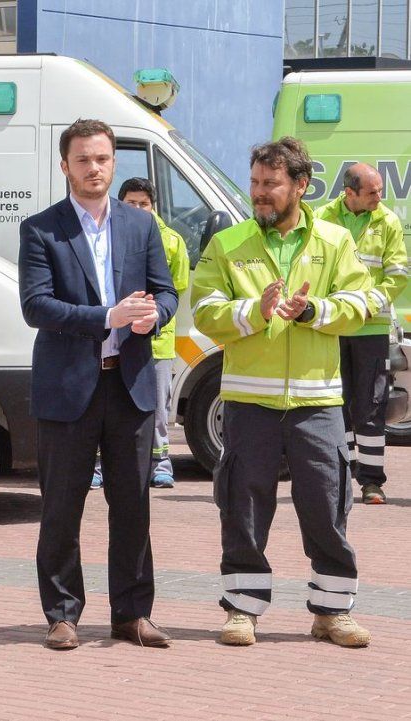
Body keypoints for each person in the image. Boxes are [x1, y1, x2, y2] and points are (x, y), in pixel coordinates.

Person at [192, 138, 374, 648]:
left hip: (318, 404)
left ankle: (332, 613)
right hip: (249, 403)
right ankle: (242, 610)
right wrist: (255, 312)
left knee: (327, 507)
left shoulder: (335, 242)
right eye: (254, 182)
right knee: (243, 509)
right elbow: (204, 310)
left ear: (301, 186)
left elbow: (361, 302)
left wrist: (314, 311)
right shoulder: (229, 243)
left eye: (270, 184)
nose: (259, 192)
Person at [18, 119, 178, 651]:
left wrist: (152, 317)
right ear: (65, 166)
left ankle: (132, 614)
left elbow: (166, 292)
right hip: (68, 389)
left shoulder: (141, 225)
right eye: (83, 159)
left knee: (132, 507)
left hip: (130, 385)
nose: (94, 168)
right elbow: (36, 306)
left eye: (103, 158)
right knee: (61, 509)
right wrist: (108, 316)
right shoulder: (41, 229)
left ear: (114, 163)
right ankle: (62, 615)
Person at [314, 163, 407, 505]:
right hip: (334, 326)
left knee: (371, 403)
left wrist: (367, 304)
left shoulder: (388, 221)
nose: (379, 197)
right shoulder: (321, 218)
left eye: (380, 190)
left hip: (371, 326)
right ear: (349, 193)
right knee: (335, 402)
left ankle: (371, 483)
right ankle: (343, 475)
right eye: (372, 192)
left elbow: (397, 275)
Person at [90, 178, 190, 490]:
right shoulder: (105, 233)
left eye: (143, 204)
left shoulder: (171, 240)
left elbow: (174, 288)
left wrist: (151, 311)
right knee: (103, 408)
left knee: (157, 408)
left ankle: (160, 464)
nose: (137, 208)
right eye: (131, 203)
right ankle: (98, 467)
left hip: (156, 341)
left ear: (153, 207)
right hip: (113, 338)